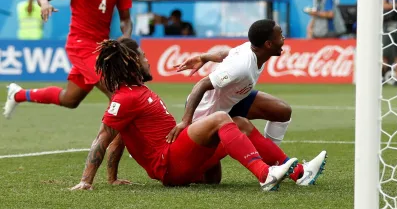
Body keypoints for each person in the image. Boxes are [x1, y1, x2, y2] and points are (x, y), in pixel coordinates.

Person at [69, 38, 297, 191]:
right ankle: (265, 174)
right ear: (132, 65)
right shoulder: (124, 98)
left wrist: (112, 178)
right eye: (144, 57)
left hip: (178, 159)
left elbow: (120, 139)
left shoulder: (138, 93)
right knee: (220, 118)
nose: (148, 60)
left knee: (240, 123)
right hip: (167, 163)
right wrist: (86, 181)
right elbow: (104, 137)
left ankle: (296, 171)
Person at [172, 19, 326, 186]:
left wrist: (204, 57)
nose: (284, 39)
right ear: (268, 44)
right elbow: (201, 85)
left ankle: (274, 162)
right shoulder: (241, 67)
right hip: (207, 115)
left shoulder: (250, 49)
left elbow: (227, 53)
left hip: (232, 101)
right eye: (280, 35)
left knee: (281, 111)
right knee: (212, 180)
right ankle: (297, 173)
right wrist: (186, 122)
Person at [5, 0, 133, 118]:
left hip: (101, 47)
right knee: (117, 94)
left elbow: (126, 19)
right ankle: (112, 145)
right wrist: (46, 4)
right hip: (80, 44)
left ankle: (18, 94)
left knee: (70, 99)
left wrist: (126, 36)